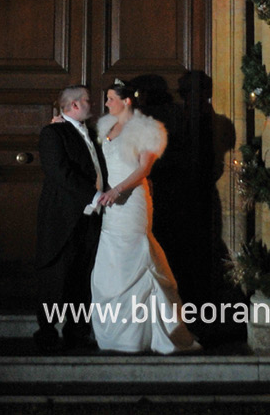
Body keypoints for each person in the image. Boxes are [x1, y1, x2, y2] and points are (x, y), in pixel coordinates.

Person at [91, 81, 201, 354]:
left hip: (132, 201)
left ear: (127, 101)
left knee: (138, 257)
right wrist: (99, 193)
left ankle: (154, 334)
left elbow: (144, 169)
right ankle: (118, 334)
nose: (107, 104)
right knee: (113, 260)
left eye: (111, 98)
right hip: (111, 205)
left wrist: (117, 191)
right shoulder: (106, 127)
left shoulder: (146, 129)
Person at [33, 85, 106, 352]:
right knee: (56, 276)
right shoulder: (53, 133)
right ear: (74, 105)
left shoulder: (94, 133)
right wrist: (95, 195)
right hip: (63, 216)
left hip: (90, 217)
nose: (92, 104)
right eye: (88, 100)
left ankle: (77, 331)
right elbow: (60, 172)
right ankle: (47, 333)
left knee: (83, 276)